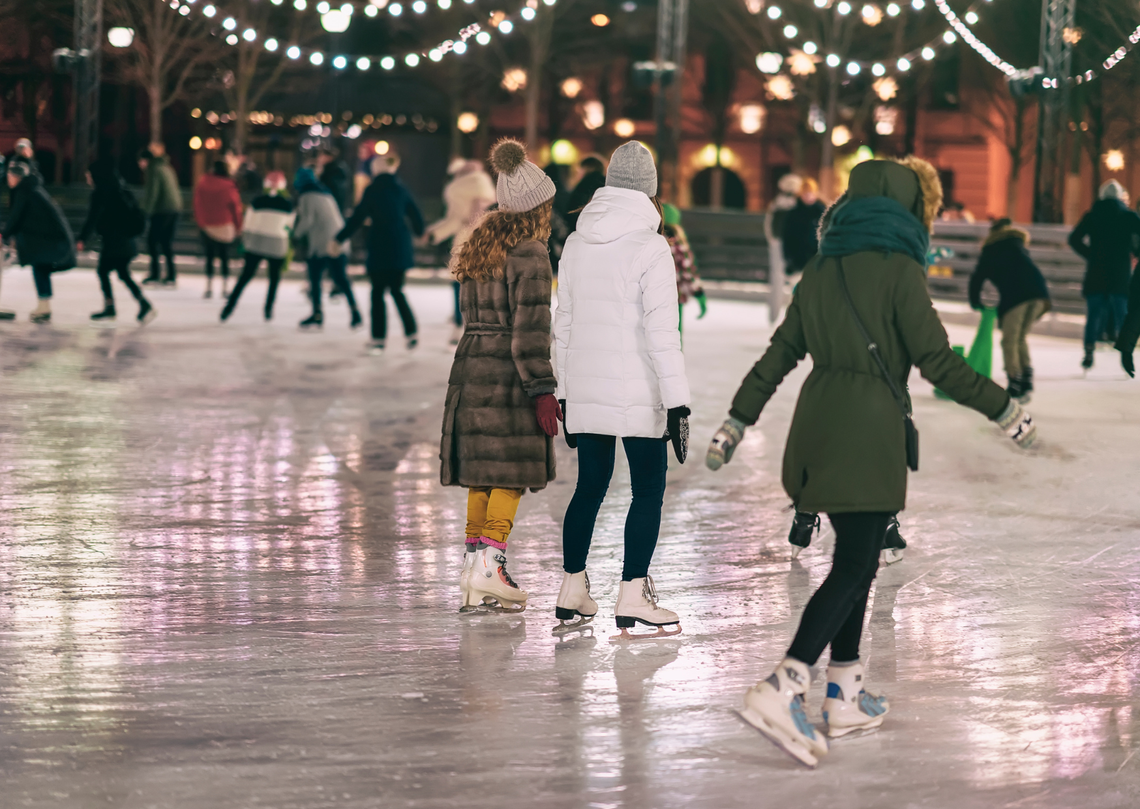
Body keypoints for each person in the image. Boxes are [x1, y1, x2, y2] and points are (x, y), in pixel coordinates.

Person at [705, 157, 1037, 768]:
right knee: (856, 565)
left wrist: (737, 419)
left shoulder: (821, 268)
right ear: (907, 210)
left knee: (855, 559)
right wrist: (1005, 408)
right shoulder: (900, 270)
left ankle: (844, 693)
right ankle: (784, 684)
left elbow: (779, 354)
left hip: (816, 430)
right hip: (868, 435)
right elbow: (939, 362)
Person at [553, 141, 692, 639]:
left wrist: (565, 393)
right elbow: (663, 334)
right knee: (647, 491)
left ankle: (571, 589)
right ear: (651, 191)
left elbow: (563, 324)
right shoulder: (651, 247)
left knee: (589, 487)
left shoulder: (576, 242)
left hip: (587, 388)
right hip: (639, 393)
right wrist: (678, 403)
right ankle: (632, 595)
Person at [442, 138, 560, 614]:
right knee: (510, 472)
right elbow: (530, 331)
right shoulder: (531, 253)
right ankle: (491, 564)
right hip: (508, 375)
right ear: (536, 208)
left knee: (482, 475)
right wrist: (542, 389)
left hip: (472, 368)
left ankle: (473, 568)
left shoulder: (481, 244)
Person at [335, 152, 425, 354]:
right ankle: (411, 332)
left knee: (377, 294)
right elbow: (415, 214)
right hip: (399, 246)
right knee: (397, 291)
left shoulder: (372, 190)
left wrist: (339, 238)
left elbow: (358, 217)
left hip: (379, 246)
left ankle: (378, 339)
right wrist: (420, 232)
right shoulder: (401, 189)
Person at [969, 218, 1052, 400]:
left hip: (1017, 297)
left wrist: (975, 301)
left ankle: (1015, 382)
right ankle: (1026, 379)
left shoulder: (992, 249)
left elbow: (977, 277)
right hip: (1040, 295)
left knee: (1010, 340)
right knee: (1020, 337)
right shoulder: (1017, 244)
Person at [1068, 180, 1140, 370]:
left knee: (1093, 315)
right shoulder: (1129, 216)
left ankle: (1088, 351)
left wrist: (1090, 254)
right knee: (1122, 314)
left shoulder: (1092, 215)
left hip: (1096, 271)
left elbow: (1074, 239)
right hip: (1120, 272)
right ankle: (1125, 354)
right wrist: (1135, 252)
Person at [426, 157, 496, 343]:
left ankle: (461, 327)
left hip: (469, 240)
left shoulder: (460, 189)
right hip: (483, 239)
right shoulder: (483, 183)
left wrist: (434, 234)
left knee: (462, 283)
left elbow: (456, 219)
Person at [77, 160, 155, 324]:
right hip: (127, 241)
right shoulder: (121, 189)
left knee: (103, 271)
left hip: (114, 242)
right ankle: (143, 303)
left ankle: (111, 307)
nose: (88, 178)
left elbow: (92, 219)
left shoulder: (101, 193)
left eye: (89, 175)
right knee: (123, 274)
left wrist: (82, 239)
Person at [1, 160, 76, 323]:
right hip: (49, 240)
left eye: (10, 175)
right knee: (41, 268)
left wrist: (4, 235)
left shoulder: (24, 191)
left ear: (17, 177)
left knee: (40, 267)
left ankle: (44, 307)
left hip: (48, 240)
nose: (8, 179)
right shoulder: (32, 189)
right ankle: (44, 306)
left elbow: (16, 217)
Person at [221, 171, 296, 322]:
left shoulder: (256, 201)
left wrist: (246, 240)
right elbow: (290, 226)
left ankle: (229, 307)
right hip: (277, 243)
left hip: (256, 242)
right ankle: (268, 308)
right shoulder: (288, 205)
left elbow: (248, 223)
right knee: (274, 278)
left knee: (245, 276)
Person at [293, 167, 361, 330]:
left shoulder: (307, 196)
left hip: (322, 244)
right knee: (341, 278)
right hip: (339, 240)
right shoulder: (326, 193)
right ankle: (355, 312)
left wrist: (295, 234)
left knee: (315, 277)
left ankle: (317, 313)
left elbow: (308, 220)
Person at [193, 160, 243, 299]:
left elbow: (197, 204)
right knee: (224, 257)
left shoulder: (203, 183)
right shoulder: (229, 186)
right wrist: (238, 226)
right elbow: (235, 208)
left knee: (209, 257)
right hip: (225, 225)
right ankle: (225, 287)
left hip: (207, 225)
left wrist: (201, 222)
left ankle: (208, 287)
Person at [662, 203, 707, 339]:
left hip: (653, 296)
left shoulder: (651, 240)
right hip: (674, 297)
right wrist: (698, 293)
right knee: (673, 335)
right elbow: (688, 272)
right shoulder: (678, 244)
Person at [139, 143, 182, 286]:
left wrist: (145, 211)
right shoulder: (166, 166)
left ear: (146, 160)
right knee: (166, 243)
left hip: (162, 210)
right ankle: (171, 275)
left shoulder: (153, 169)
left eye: (141, 161)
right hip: (174, 209)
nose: (140, 165)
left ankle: (155, 273)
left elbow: (153, 193)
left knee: (152, 242)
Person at [781, 177, 827, 273]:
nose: (808, 196)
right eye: (805, 193)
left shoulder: (823, 213)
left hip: (818, 259)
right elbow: (787, 237)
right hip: (798, 259)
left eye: (810, 193)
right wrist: (789, 259)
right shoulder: (793, 214)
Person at [565, 154, 606, 233]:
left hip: (581, 230)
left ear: (586, 168)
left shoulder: (583, 185)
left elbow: (572, 210)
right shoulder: (606, 184)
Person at [317, 148, 351, 215]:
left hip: (333, 205)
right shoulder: (334, 169)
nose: (319, 159)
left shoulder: (332, 171)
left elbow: (331, 188)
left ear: (329, 157)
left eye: (321, 156)